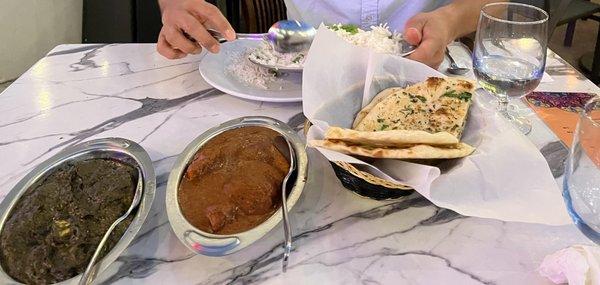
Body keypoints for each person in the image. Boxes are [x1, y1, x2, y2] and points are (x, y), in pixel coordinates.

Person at [156, 0, 500, 68]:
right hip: (300, 66)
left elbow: (499, 4)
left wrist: (450, 19)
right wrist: (174, 5)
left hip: (424, 64)